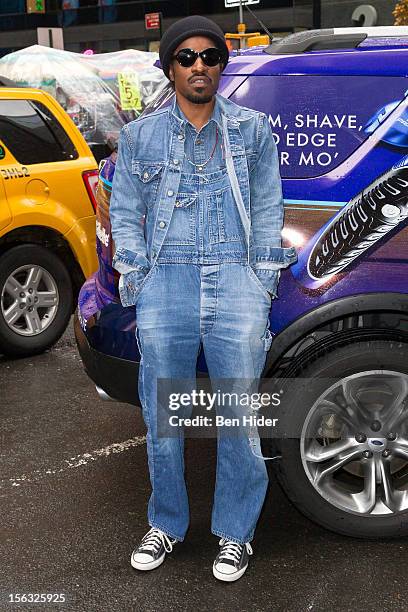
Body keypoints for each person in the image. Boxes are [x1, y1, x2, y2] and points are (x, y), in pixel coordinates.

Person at [109, 15, 297, 582]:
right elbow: (124, 213)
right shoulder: (141, 135)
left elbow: (268, 207)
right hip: (165, 280)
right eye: (186, 56)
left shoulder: (253, 130)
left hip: (237, 276)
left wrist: (261, 281)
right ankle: (167, 522)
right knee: (163, 416)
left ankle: (235, 533)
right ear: (170, 67)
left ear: (222, 65)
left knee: (238, 417)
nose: (199, 66)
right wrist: (138, 275)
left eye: (210, 56)